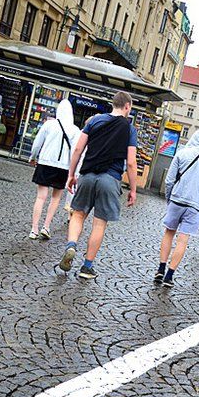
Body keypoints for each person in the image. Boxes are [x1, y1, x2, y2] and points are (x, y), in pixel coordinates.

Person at [58, 90, 138, 280]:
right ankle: (87, 267)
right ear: (127, 107)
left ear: (113, 104)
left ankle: (71, 246)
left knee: (78, 214)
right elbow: (132, 162)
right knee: (99, 223)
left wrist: (71, 174)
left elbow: (78, 148)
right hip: (110, 179)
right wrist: (133, 189)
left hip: (87, 175)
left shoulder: (94, 121)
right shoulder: (129, 129)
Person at [156, 129, 199, 287]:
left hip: (177, 200)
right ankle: (169, 276)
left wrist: (169, 198)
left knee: (168, 233)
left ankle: (160, 268)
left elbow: (170, 180)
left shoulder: (181, 153)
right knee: (183, 240)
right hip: (196, 206)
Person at [29, 99, 80, 240]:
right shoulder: (75, 130)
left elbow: (37, 143)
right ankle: (46, 226)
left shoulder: (49, 124)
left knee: (41, 197)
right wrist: (74, 171)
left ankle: (34, 229)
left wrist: (33, 157)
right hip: (63, 167)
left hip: (45, 162)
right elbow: (75, 152)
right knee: (56, 198)